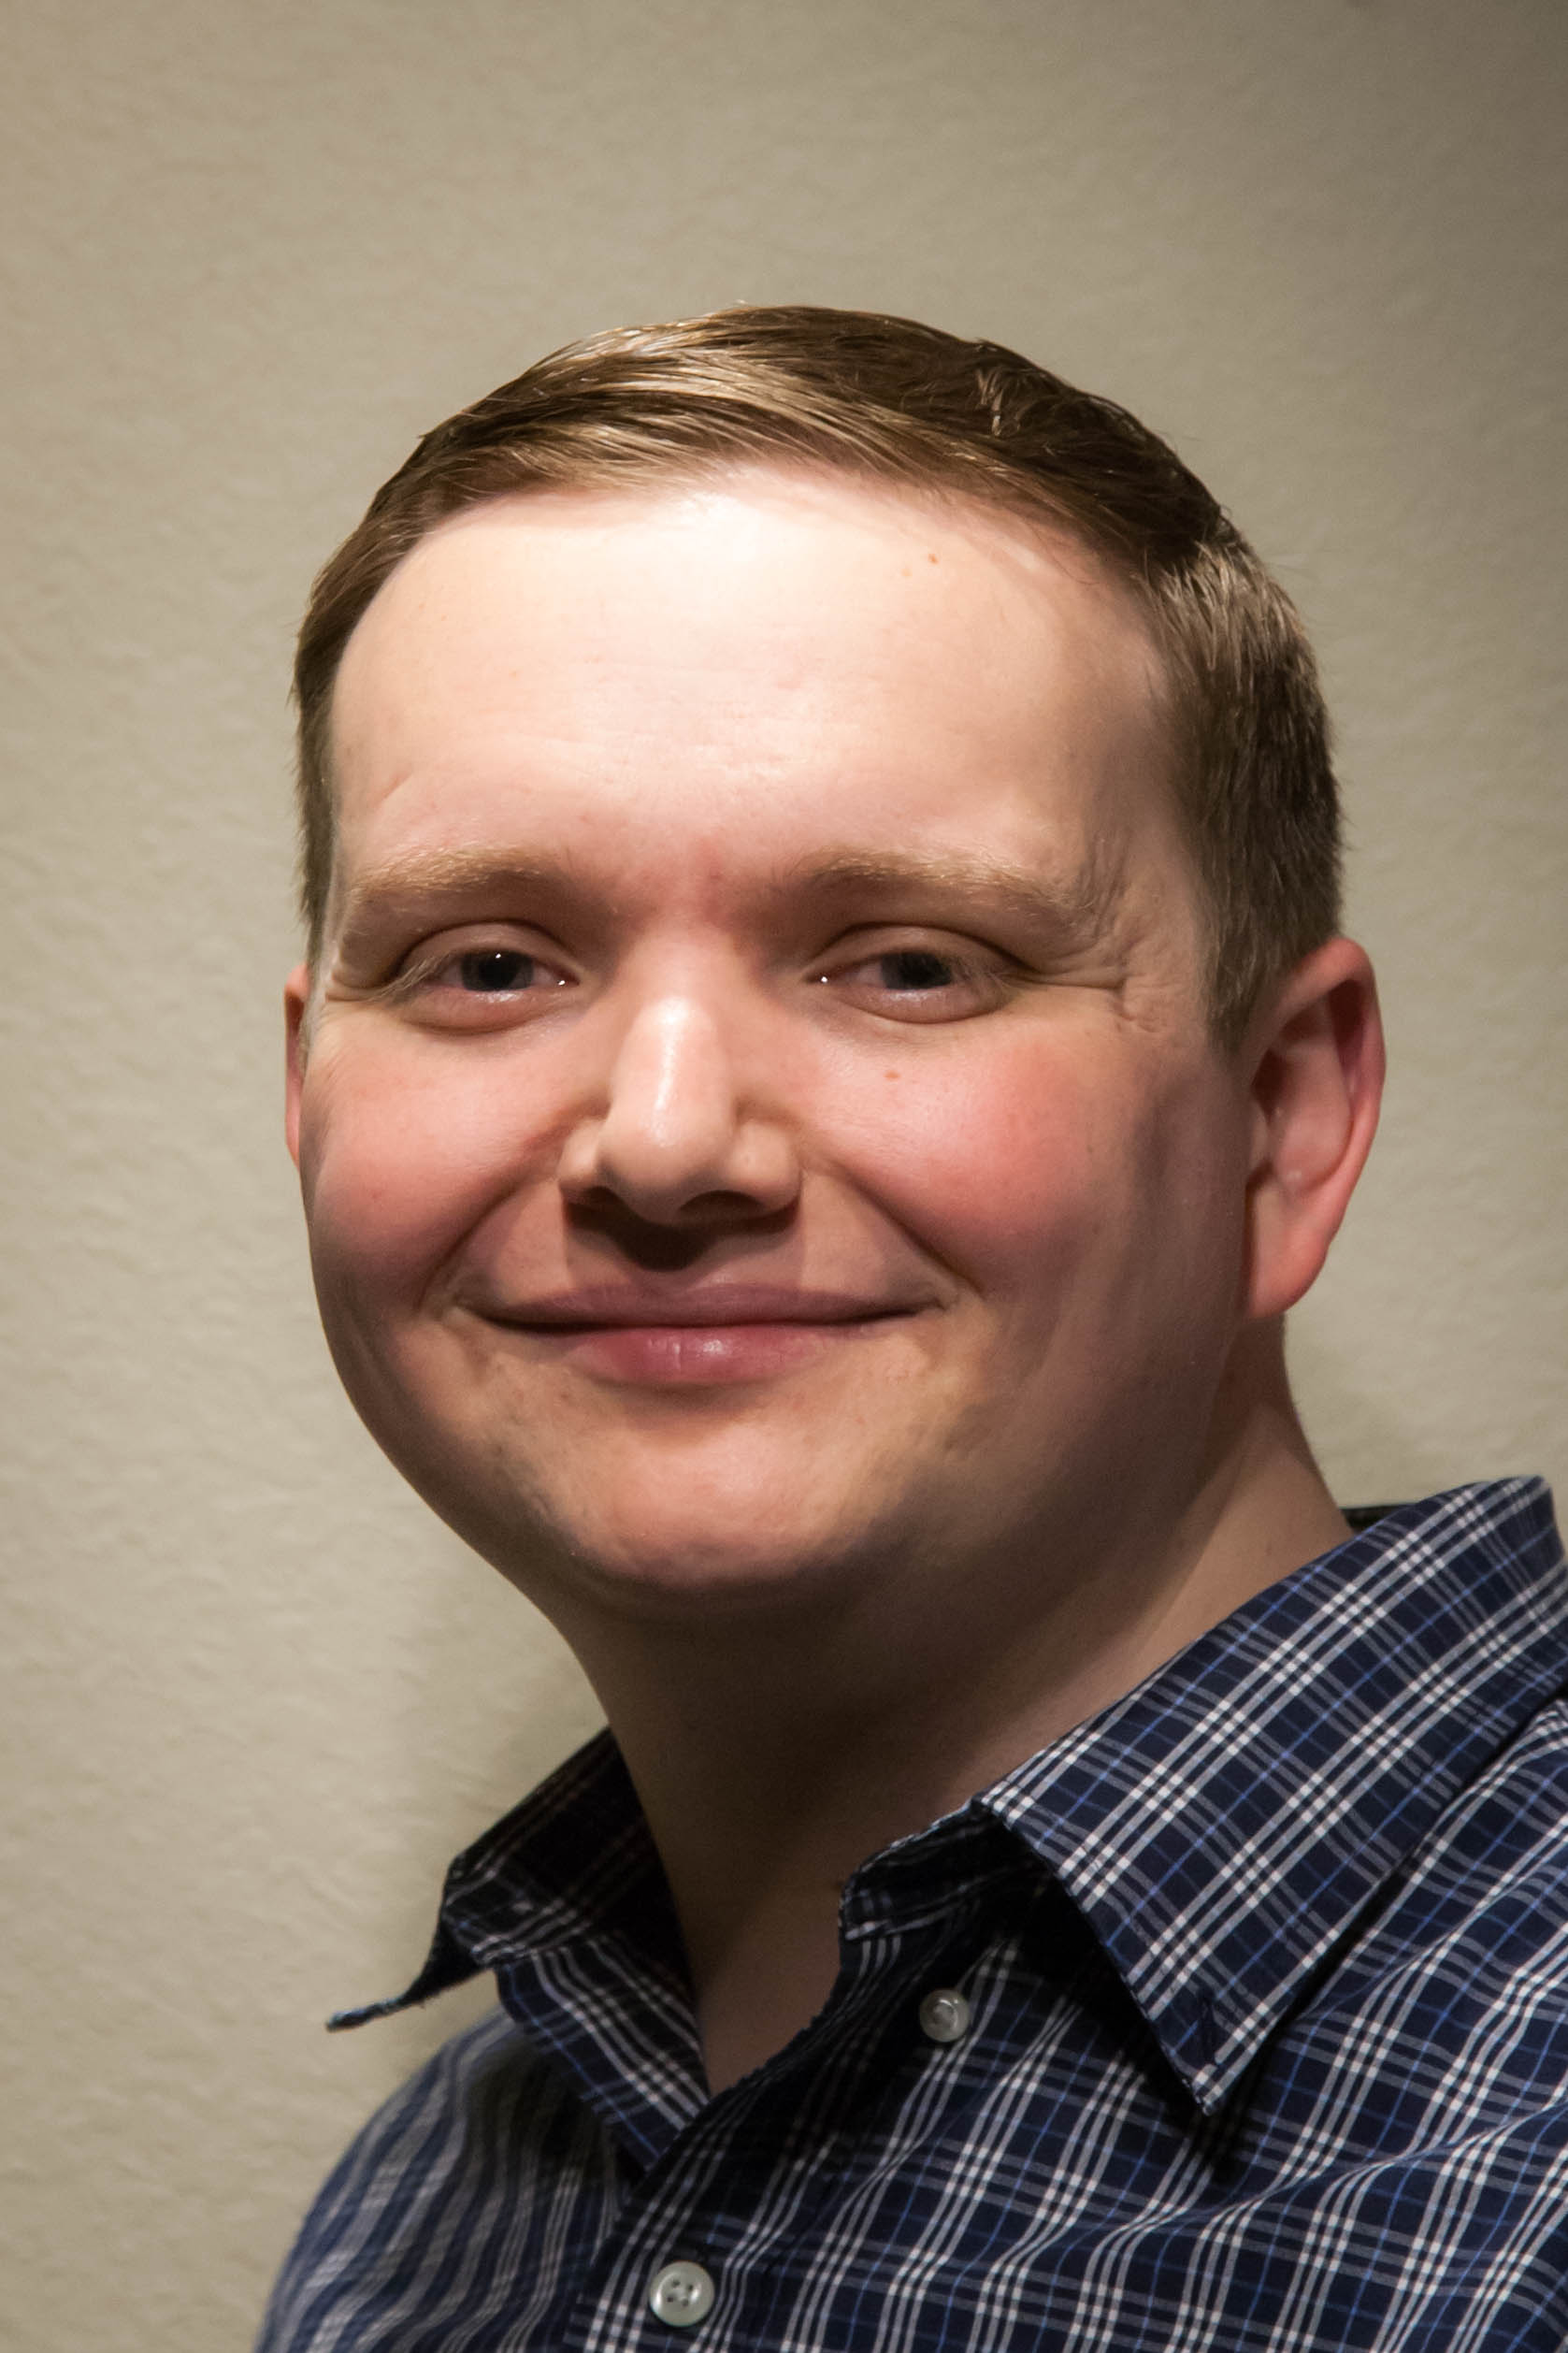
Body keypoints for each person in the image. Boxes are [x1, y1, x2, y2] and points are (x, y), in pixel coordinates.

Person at [257, 307, 1567, 2352]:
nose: (664, 1139)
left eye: (905, 964)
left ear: (1278, 1114)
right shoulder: (433, 2215)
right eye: (490, 964)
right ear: (307, 1091)